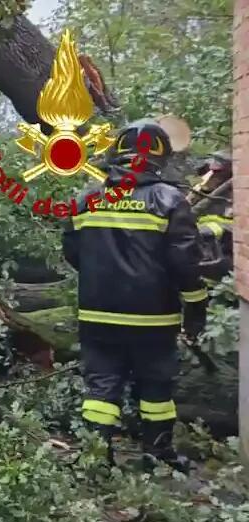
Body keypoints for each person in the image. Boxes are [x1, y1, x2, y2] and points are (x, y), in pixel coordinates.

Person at [62, 119, 208, 472]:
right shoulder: (170, 200)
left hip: (97, 314)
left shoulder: (86, 199)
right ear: (160, 158)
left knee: (101, 388)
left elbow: (72, 252)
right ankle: (157, 455)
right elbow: (185, 264)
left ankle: (96, 458)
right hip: (153, 318)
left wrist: (102, 277)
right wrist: (196, 308)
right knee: (156, 385)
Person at [191, 149, 234, 284]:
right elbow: (186, 207)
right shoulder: (203, 186)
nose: (214, 174)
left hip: (228, 248)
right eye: (212, 170)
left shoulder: (238, 191)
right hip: (204, 247)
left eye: (218, 172)